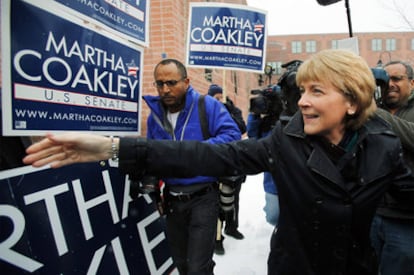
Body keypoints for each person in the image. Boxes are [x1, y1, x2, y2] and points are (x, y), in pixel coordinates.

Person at [23, 49, 414, 275]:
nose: (303, 101)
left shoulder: (385, 145)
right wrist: (113, 148)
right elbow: (208, 153)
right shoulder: (287, 143)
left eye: (317, 91)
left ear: (352, 101)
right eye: (303, 90)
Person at [131, 59, 241, 274]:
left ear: (187, 81)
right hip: (172, 200)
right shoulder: (155, 116)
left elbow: (231, 137)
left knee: (197, 268)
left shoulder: (207, 105)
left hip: (204, 198)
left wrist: (191, 152)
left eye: (171, 83)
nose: (165, 89)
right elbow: (153, 155)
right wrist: (153, 191)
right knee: (181, 264)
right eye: (159, 84)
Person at [370, 61, 414, 275]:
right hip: (371, 211)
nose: (392, 84)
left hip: (406, 217)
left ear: (412, 83)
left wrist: (375, 113)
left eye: (398, 79)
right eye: (388, 80)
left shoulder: (374, 113)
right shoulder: (369, 110)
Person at [207, 84, 247, 255]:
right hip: (216, 163)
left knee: (233, 199)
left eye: (220, 97)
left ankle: (232, 227)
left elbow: (242, 129)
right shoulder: (206, 111)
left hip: (233, 163)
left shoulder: (233, 110)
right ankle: (217, 238)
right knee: (219, 202)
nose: (219, 100)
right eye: (215, 97)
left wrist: (229, 112)